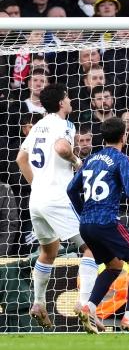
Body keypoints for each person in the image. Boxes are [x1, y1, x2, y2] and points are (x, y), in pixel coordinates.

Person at [15, 84, 98, 329]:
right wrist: (76, 160)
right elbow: (62, 148)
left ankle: (38, 303)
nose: (70, 100)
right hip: (58, 198)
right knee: (92, 247)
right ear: (61, 102)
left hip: (37, 200)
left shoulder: (38, 125)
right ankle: (84, 304)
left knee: (48, 252)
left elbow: (21, 159)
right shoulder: (65, 124)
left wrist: (37, 184)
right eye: (68, 97)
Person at [67, 117, 129, 335]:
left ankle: (89, 308)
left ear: (103, 137)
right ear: (123, 137)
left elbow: (71, 189)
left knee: (114, 266)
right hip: (106, 221)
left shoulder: (90, 159)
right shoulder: (121, 159)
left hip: (86, 225)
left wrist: (84, 212)